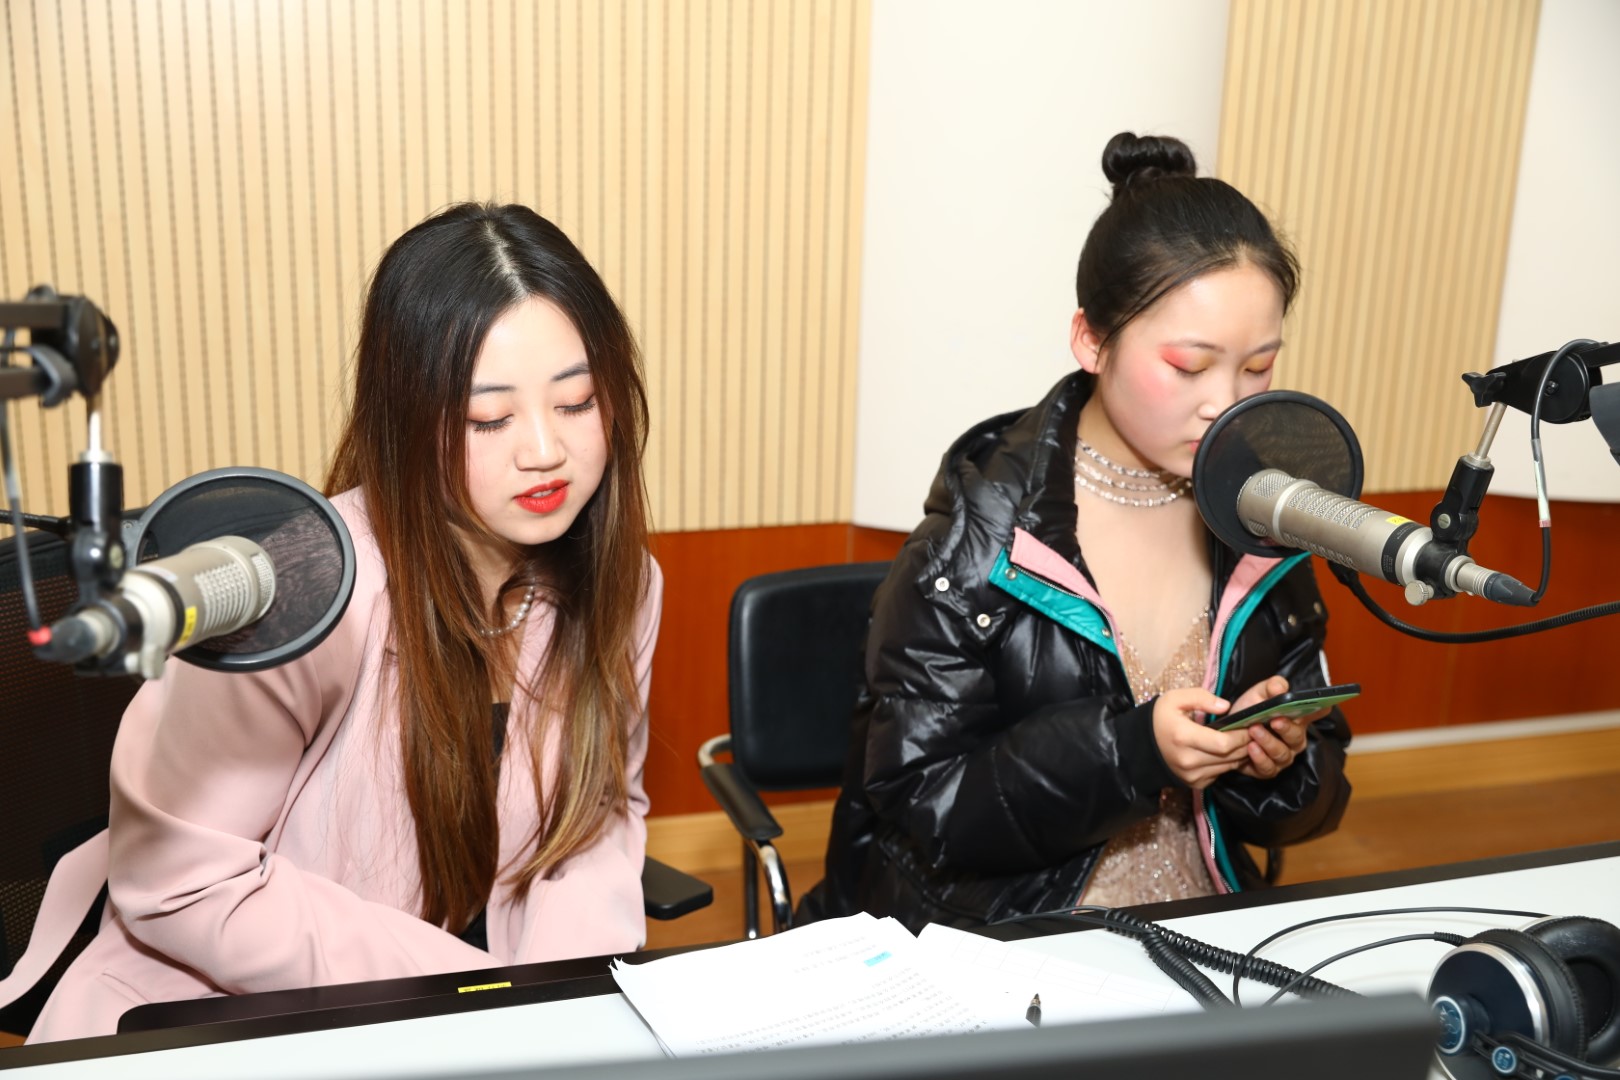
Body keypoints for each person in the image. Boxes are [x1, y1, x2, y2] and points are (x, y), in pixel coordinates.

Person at [11, 203, 662, 1041]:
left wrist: (565, 1009)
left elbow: (596, 816)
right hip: (218, 1011)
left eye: (576, 402)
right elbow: (182, 881)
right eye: (489, 419)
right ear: (405, 421)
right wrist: (480, 995)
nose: (545, 450)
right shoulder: (296, 588)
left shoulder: (624, 584)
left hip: (450, 1007)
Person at [799, 132, 1352, 932]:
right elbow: (924, 805)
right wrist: (1130, 752)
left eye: (1258, 366)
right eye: (1189, 366)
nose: (1228, 402)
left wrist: (1276, 765)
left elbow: (1320, 797)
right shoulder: (978, 543)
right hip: (1025, 942)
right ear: (1091, 339)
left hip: (1210, 928)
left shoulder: (1260, 517)